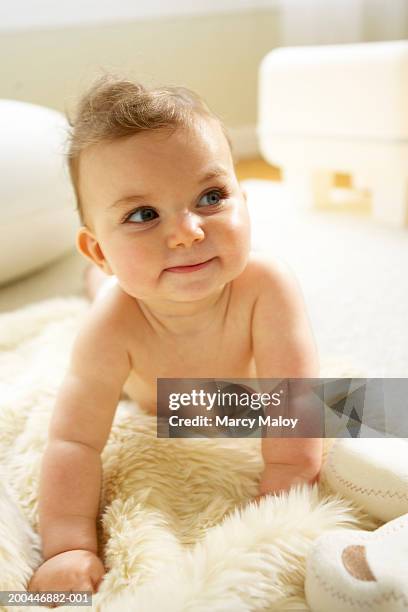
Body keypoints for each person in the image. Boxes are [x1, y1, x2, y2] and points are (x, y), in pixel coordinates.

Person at [28, 75, 322, 595]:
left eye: (211, 196)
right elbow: (72, 440)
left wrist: (287, 470)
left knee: (375, 410)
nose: (187, 231)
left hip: (223, 397)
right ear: (98, 247)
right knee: (107, 298)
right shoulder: (110, 328)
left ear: (244, 201)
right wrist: (68, 544)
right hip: (152, 395)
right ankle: (97, 282)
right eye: (143, 215)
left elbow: (296, 400)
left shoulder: (267, 286)